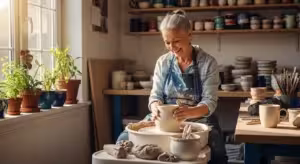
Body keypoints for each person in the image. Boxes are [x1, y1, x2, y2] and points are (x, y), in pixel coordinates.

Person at [117, 9, 228, 164]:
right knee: (123, 139)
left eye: (176, 41)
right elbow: (155, 95)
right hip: (164, 118)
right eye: (167, 42)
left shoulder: (208, 63)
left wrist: (190, 112)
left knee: (217, 151)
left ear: (190, 35)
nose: (172, 47)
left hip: (198, 118)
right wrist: (155, 107)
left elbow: (210, 102)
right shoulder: (163, 62)